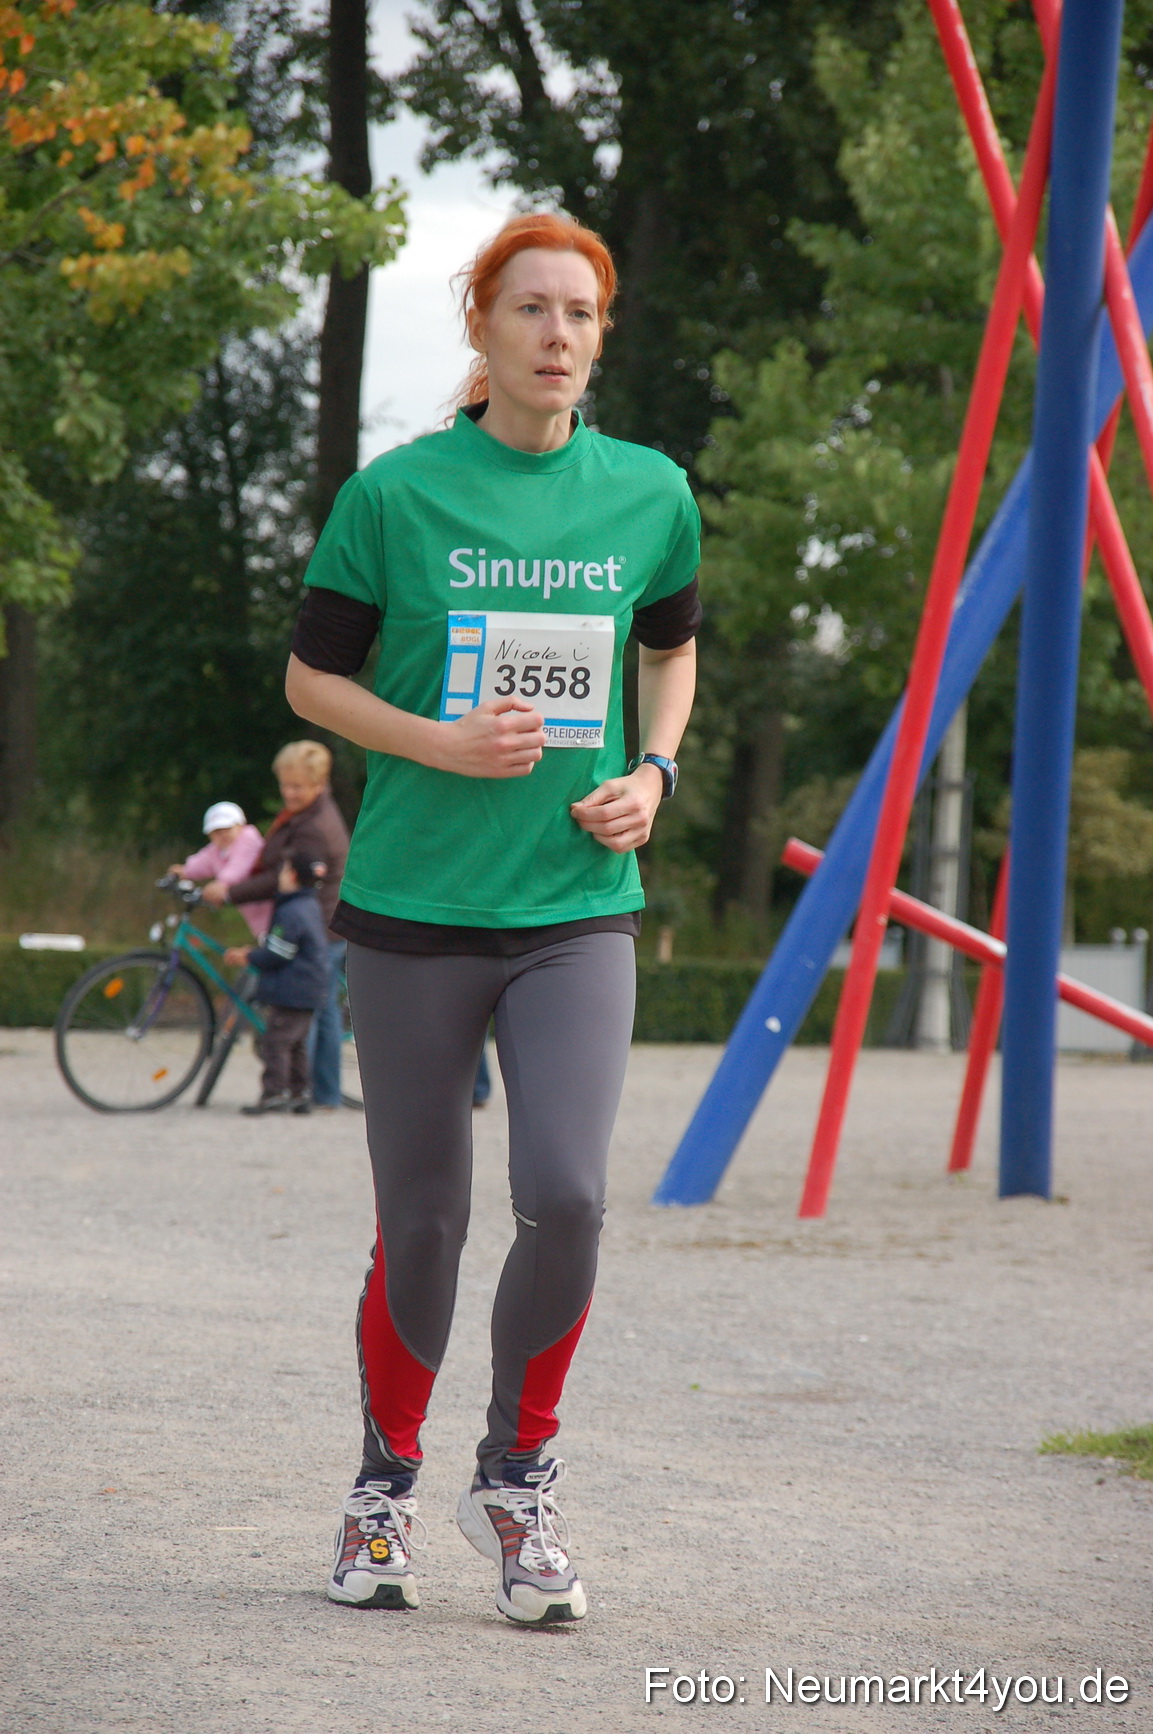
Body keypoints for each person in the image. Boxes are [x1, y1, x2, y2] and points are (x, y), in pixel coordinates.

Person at [285, 211, 700, 1625]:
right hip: (410, 908)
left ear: (601, 333)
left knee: (570, 1194)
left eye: (581, 312)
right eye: (530, 308)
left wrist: (654, 770)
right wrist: (433, 739)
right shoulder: (394, 498)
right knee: (425, 1222)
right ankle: (380, 1490)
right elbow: (309, 684)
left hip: (578, 909)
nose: (557, 333)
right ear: (481, 327)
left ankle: (515, 1478)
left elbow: (674, 643)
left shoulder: (650, 492)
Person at [203, 741, 350, 1109]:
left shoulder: (313, 827)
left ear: (318, 783)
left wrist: (232, 893)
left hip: (318, 926)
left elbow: (282, 878)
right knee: (321, 1008)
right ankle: (317, 1091)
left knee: (309, 1010)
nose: (289, 792)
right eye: (285, 784)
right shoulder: (306, 814)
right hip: (318, 923)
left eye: (298, 785)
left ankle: (305, 1091)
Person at [225, 853, 330, 1115]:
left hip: (292, 990)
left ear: (292, 876)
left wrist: (248, 956)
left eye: (283, 871)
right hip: (311, 987)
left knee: (276, 1042)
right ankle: (300, 1093)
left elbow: (278, 953)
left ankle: (275, 1093)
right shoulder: (310, 905)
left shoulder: (290, 910)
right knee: (296, 1044)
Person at [170, 802, 270, 939]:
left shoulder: (249, 840)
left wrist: (221, 884)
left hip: (273, 907)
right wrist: (184, 871)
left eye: (227, 828)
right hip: (255, 914)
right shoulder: (217, 850)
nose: (223, 835)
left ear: (241, 826)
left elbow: (239, 865)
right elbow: (203, 861)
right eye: (216, 832)